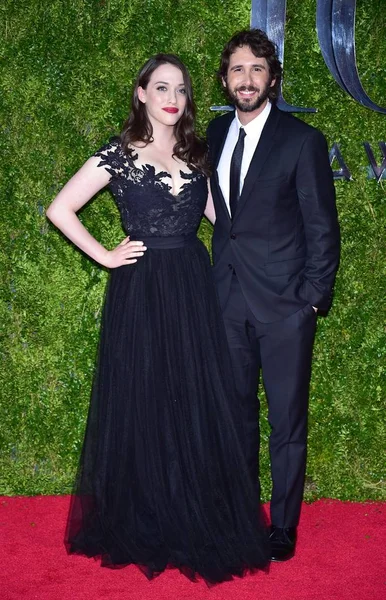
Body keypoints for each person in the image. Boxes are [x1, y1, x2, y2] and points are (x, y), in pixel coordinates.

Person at [46, 53, 270, 583]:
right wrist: (104, 254)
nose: (173, 98)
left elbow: (227, 219)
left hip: (193, 287)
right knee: (144, 398)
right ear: (141, 93)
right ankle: (145, 514)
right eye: (161, 87)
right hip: (142, 289)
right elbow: (60, 209)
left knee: (190, 397)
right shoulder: (118, 154)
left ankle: (191, 508)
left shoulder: (197, 156)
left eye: (182, 90)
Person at [206, 29, 340, 562]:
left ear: (273, 80)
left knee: (286, 423)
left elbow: (322, 229)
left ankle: (282, 525)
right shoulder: (213, 134)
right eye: (237, 70)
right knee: (235, 416)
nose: (247, 79)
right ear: (225, 80)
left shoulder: (301, 140)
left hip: (286, 307)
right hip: (228, 300)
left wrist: (310, 300)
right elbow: (221, 214)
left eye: (257, 69)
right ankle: (241, 514)